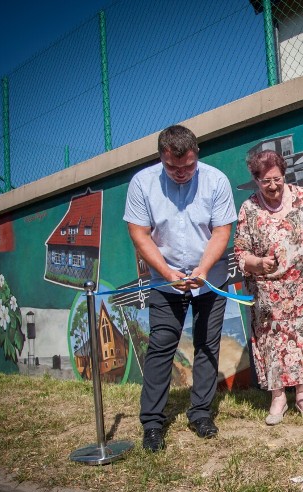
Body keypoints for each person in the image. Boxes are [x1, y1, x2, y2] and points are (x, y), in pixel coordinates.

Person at [123, 124, 237, 451]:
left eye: (188, 166)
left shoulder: (215, 181)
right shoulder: (142, 184)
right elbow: (139, 234)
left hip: (210, 276)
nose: (182, 173)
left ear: (195, 155)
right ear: (161, 158)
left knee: (206, 344)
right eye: (173, 168)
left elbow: (220, 232)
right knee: (161, 344)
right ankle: (153, 424)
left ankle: (201, 414)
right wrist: (168, 272)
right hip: (164, 280)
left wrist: (202, 269)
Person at [234, 149, 303, 425]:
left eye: (277, 179)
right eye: (265, 181)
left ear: (284, 175)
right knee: (274, 346)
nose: (272, 186)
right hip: (270, 294)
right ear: (256, 180)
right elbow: (240, 253)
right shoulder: (249, 209)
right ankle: (278, 398)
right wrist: (258, 263)